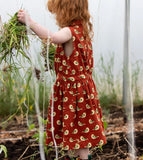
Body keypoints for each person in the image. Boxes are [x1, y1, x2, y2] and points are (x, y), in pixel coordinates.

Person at [17, 0, 106, 159]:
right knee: (77, 128)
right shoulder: (82, 31)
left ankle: (80, 158)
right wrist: (30, 30)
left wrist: (30, 22)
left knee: (76, 129)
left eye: (58, 11)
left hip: (73, 91)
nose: (56, 15)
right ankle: (73, 157)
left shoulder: (69, 32)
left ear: (66, 10)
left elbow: (52, 37)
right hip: (83, 89)